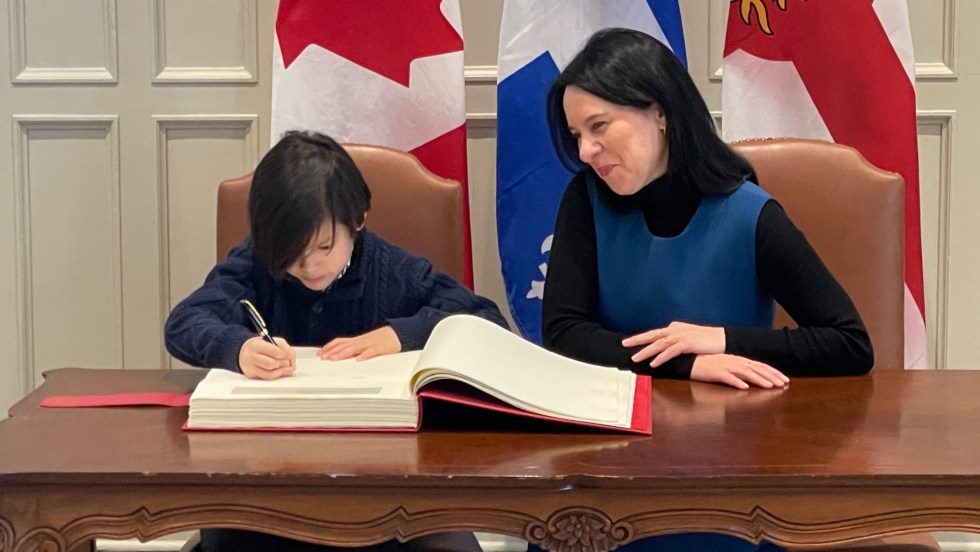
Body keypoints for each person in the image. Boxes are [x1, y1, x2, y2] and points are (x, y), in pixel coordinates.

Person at [538, 28, 873, 552]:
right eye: (577, 133)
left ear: (662, 112)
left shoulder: (748, 213)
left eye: (599, 126)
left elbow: (849, 343)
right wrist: (683, 363)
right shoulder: (585, 200)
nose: (586, 151)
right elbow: (563, 334)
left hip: (724, 475)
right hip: (606, 466)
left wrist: (720, 340)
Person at [165, 130, 507, 552]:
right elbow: (183, 323)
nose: (309, 266)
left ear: (358, 219)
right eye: (291, 252)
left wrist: (403, 334)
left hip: (383, 489)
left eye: (325, 246)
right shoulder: (257, 262)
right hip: (268, 486)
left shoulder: (389, 268)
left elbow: (486, 320)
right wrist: (236, 347)